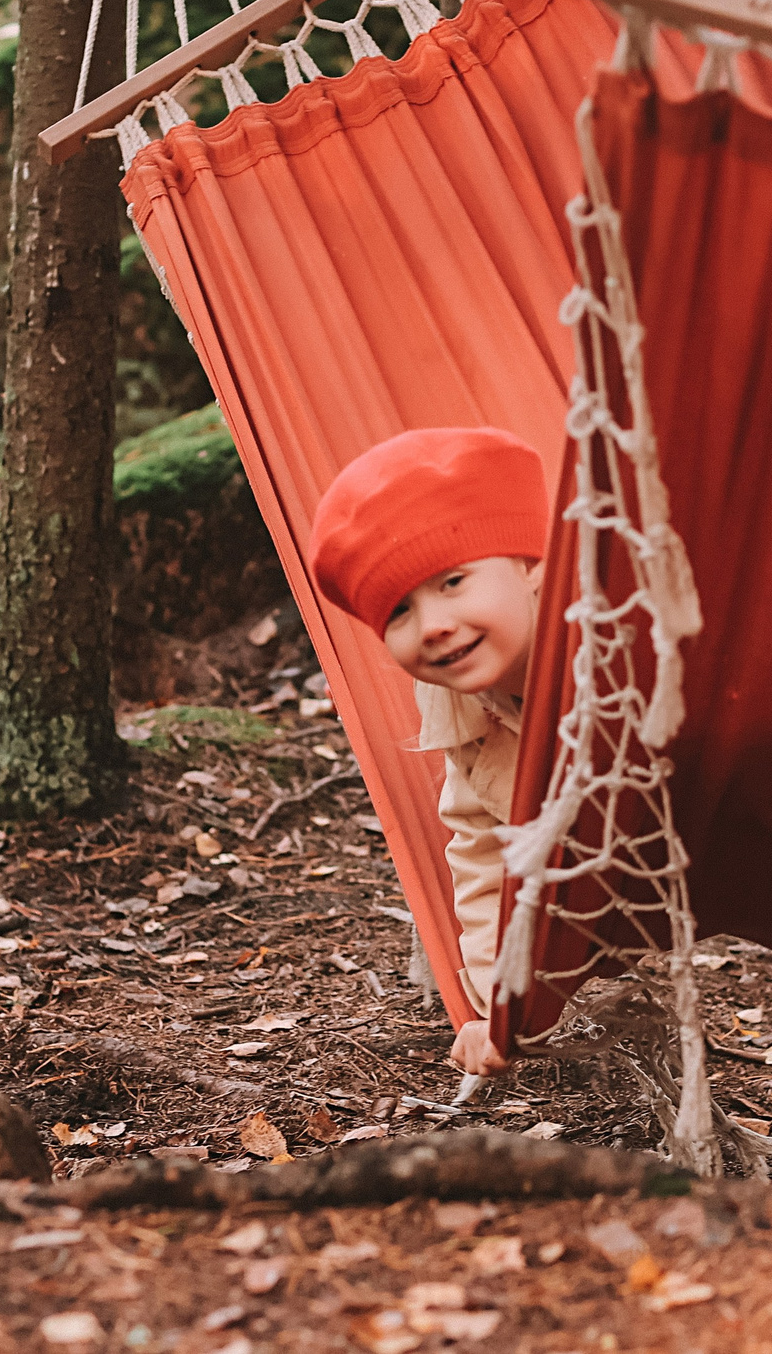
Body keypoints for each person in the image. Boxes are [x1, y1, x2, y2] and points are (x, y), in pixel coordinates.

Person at [311, 426, 548, 1078]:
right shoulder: (457, 701)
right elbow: (484, 852)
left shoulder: (624, 639)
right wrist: (498, 1007)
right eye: (399, 611)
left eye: (453, 580)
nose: (434, 625)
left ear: (531, 564)